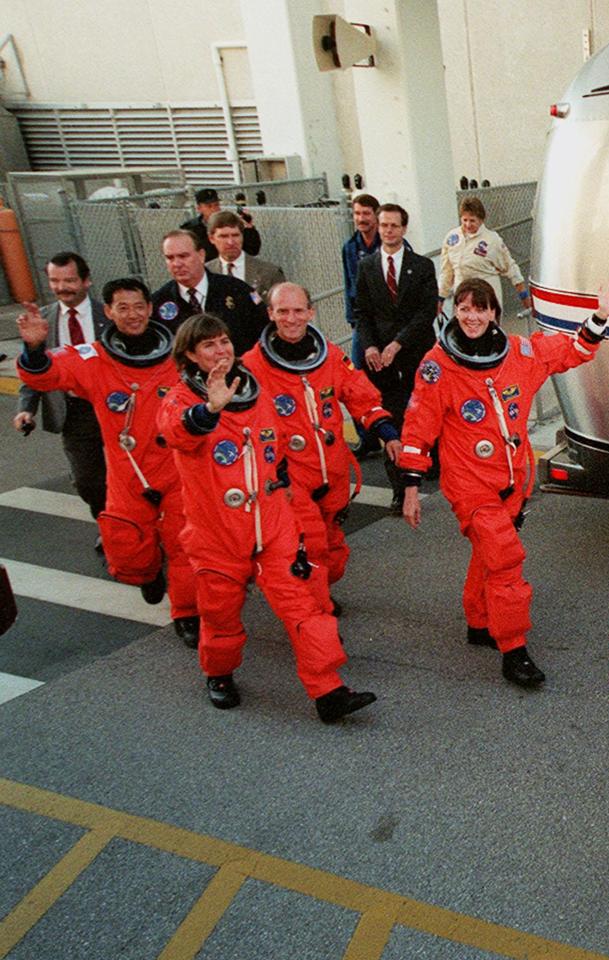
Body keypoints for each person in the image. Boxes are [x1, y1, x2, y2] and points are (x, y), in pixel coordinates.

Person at [399, 277, 609, 689]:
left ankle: (479, 621)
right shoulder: (438, 365)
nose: (472, 316)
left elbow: (572, 351)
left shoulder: (519, 352)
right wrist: (411, 486)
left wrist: (601, 315)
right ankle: (513, 650)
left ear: (494, 314)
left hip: (513, 479)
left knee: (488, 554)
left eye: (480, 308)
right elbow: (418, 425)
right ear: (453, 311)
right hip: (470, 483)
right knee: (504, 556)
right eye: (464, 308)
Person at [157, 313, 377, 722]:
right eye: (208, 346)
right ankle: (219, 675)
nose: (220, 350)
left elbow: (274, 451)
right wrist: (210, 408)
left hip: (272, 527)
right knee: (220, 617)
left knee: (304, 608)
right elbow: (177, 432)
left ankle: (329, 691)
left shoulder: (254, 392)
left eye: (223, 341)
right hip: (218, 533)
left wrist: (289, 512)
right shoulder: (179, 400)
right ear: (189, 355)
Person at [16, 278, 199, 647]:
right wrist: (35, 348)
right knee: (129, 549)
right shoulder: (94, 359)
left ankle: (186, 613)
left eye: (138, 307)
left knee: (185, 546)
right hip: (127, 473)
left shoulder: (177, 355)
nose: (132, 315)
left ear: (149, 309)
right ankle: (148, 575)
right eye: (123, 308)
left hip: (175, 469)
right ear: (109, 313)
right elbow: (49, 374)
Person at [242, 283, 402, 601]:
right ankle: (316, 616)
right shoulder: (253, 366)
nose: (291, 318)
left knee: (334, 558)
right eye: (283, 311)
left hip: (332, 473)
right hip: (289, 477)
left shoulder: (328, 355)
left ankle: (316, 593)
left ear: (310, 312)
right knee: (310, 543)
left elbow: (359, 392)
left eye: (298, 310)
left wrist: (386, 432)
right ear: (270, 313)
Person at [11, 253, 109, 542]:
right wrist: (25, 409)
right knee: (88, 481)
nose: (61, 287)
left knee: (129, 474)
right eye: (54, 280)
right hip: (72, 412)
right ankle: (108, 525)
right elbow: (34, 372)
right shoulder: (42, 321)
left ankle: (130, 531)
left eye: (69, 280)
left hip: (112, 407)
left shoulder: (110, 315)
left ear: (86, 280)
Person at [353, 203, 437, 512]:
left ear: (404, 229)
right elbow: (362, 313)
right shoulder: (366, 266)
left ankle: (429, 465)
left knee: (424, 413)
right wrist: (370, 347)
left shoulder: (423, 267)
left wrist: (398, 344)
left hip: (415, 353)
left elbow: (425, 313)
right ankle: (398, 489)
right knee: (390, 419)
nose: (388, 231)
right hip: (381, 362)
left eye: (394, 226)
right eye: (384, 225)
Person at [153, 229, 268, 355]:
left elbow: (263, 331)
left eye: (183, 256)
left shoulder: (237, 290)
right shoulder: (159, 302)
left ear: (201, 255)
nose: (177, 264)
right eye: (170, 258)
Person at [341, 193, 384, 461]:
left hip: (389, 323)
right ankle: (367, 438)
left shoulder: (391, 243)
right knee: (354, 379)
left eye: (366, 214)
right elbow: (349, 286)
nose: (361, 219)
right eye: (357, 214)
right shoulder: (350, 247)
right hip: (363, 322)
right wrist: (354, 320)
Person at [438, 196, 530, 316]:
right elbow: (446, 272)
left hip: (486, 296)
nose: (468, 224)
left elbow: (511, 268)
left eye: (472, 220)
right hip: (462, 296)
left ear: (481, 220)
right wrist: (440, 299)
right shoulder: (452, 238)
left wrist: (525, 297)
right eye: (465, 220)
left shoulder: (492, 240)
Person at [204, 210, 285, 300]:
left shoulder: (269, 273)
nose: (230, 242)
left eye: (235, 235)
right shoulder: (205, 273)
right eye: (223, 236)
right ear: (211, 238)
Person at [182, 187, 262, 262]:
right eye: (209, 206)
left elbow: (253, 250)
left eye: (216, 205)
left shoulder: (231, 223)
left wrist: (249, 229)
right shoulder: (191, 229)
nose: (214, 209)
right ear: (199, 208)